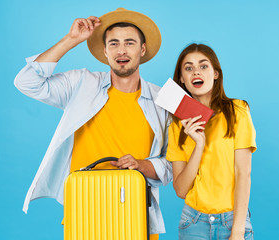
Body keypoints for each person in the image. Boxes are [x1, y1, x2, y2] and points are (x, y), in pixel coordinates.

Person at [14, 8, 172, 239]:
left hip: (136, 215)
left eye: (129, 43)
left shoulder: (163, 101)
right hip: (84, 212)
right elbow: (26, 82)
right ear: (105, 51)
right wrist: (71, 40)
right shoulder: (82, 84)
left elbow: (173, 165)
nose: (121, 50)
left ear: (142, 49)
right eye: (114, 44)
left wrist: (141, 165)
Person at [166, 43, 256, 240]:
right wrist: (198, 145)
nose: (196, 72)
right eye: (188, 68)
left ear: (215, 73)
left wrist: (238, 231)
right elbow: (180, 190)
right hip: (193, 223)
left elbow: (244, 173)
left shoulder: (237, 111)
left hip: (233, 220)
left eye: (203, 66)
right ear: (182, 79)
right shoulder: (176, 125)